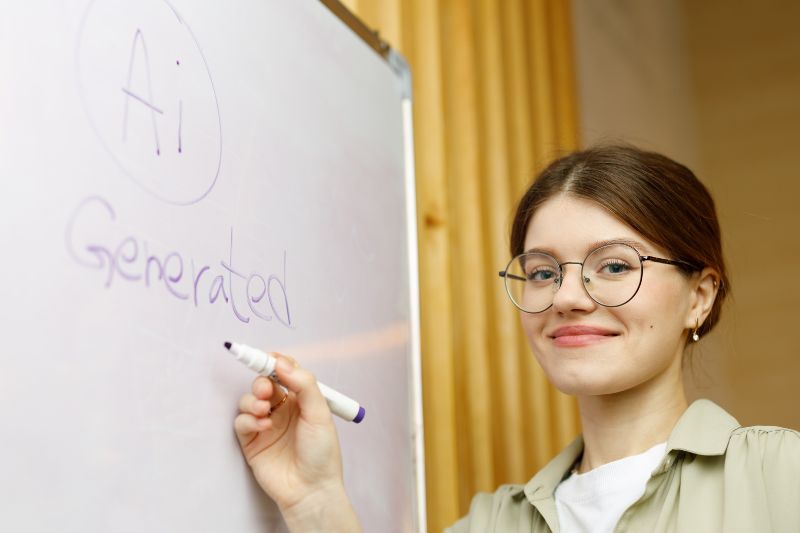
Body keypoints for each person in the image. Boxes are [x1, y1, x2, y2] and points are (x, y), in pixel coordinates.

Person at [234, 145, 800, 532]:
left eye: (614, 266)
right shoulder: (491, 524)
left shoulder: (781, 477)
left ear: (699, 296)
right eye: (543, 272)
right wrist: (316, 500)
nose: (567, 297)